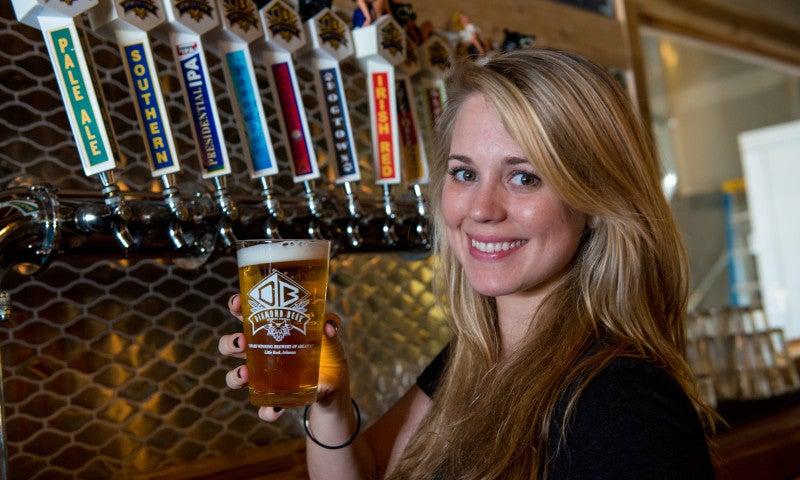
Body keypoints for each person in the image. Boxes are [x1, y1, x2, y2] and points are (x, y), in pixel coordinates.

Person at [218, 48, 716, 479]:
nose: (480, 209)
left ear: (593, 200)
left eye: (524, 178)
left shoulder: (624, 405)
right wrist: (328, 404)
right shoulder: (475, 357)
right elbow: (367, 472)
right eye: (464, 173)